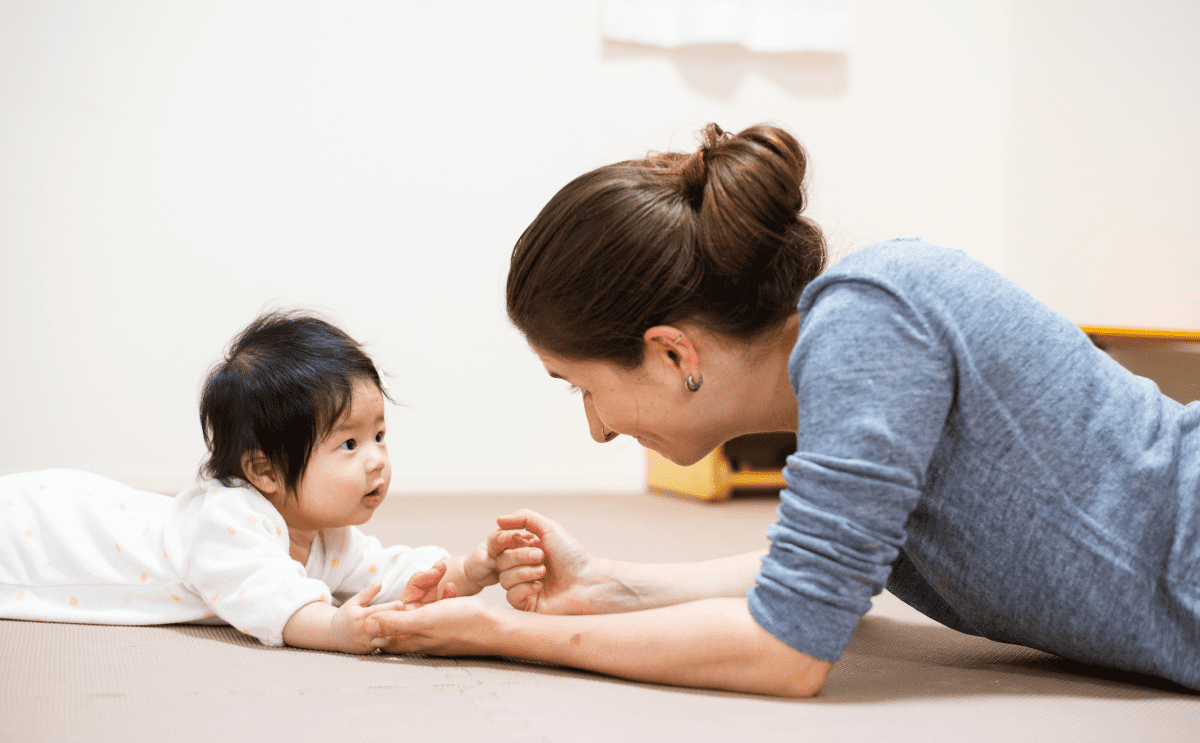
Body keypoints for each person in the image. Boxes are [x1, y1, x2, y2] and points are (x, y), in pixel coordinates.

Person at [366, 122, 1200, 697]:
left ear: (672, 353)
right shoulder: (846, 357)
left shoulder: (868, 320)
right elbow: (815, 573)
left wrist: (498, 634)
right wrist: (607, 586)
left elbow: (786, 648)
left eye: (583, 386)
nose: (597, 425)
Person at [0, 310, 539, 654]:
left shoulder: (326, 533)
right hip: (40, 531)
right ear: (263, 471)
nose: (376, 460)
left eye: (379, 435)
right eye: (348, 445)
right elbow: (273, 602)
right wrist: (337, 631)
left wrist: (472, 569)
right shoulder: (227, 520)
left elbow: (386, 569)